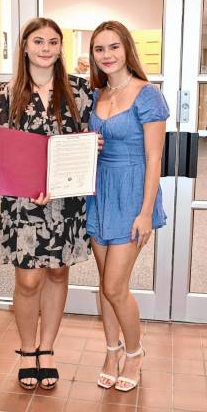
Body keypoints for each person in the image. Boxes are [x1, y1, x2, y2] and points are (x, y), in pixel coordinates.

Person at [0, 17, 93, 390]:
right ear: (25, 47)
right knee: (28, 279)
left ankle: (46, 350)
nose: (45, 48)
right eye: (38, 41)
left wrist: (92, 146)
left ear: (61, 48)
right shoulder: (6, 92)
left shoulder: (79, 92)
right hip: (24, 200)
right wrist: (32, 184)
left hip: (65, 201)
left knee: (59, 273)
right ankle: (26, 348)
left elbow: (87, 143)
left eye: (52, 42)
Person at [87, 21, 169, 392]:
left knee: (116, 286)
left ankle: (134, 354)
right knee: (106, 286)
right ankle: (110, 350)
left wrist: (146, 211)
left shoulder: (147, 94)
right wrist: (92, 145)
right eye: (99, 49)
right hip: (99, 190)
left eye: (113, 47)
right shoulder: (96, 95)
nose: (107, 55)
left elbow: (155, 158)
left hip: (133, 192)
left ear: (127, 49)